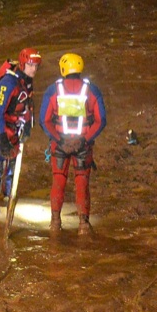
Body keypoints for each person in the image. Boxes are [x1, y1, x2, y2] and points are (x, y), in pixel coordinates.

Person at [40, 53, 106, 236]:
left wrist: (59, 139)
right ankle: (83, 225)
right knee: (82, 183)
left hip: (60, 145)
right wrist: (84, 139)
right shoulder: (92, 90)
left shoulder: (53, 90)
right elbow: (101, 120)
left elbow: (44, 120)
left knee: (58, 181)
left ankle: (55, 223)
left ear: (63, 69)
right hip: (83, 145)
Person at [0, 48, 41, 210]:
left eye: (36, 66)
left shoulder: (27, 82)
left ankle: (9, 198)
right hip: (0, 126)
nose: (34, 69)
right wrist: (3, 137)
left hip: (16, 127)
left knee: (12, 165)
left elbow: (28, 106)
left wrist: (27, 126)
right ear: (23, 64)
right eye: (31, 65)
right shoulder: (9, 82)